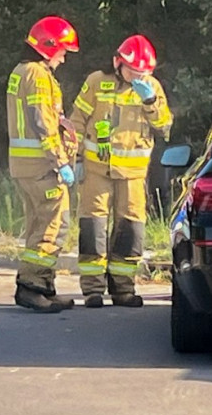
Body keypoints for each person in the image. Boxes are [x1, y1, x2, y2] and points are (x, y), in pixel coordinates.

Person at [68, 34, 173, 308]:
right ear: (117, 63)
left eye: (143, 72)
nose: (138, 76)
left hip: (134, 176)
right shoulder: (96, 82)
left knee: (131, 232)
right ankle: (92, 290)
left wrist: (151, 102)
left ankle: (123, 289)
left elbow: (164, 127)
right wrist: (75, 158)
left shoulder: (151, 88)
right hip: (96, 171)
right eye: (133, 70)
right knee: (93, 229)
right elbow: (77, 121)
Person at [6, 16, 80, 313]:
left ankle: (44, 286)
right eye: (62, 50)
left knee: (37, 225)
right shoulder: (38, 74)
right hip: (42, 167)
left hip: (25, 167)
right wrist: (60, 161)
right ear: (48, 46)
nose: (63, 58)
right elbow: (42, 124)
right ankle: (33, 286)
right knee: (52, 225)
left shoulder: (20, 71)